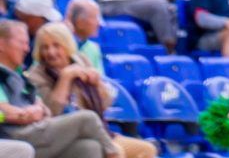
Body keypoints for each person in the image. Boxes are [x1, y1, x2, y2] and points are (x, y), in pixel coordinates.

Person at [25, 23, 157, 158]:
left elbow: (106, 103)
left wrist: (98, 84)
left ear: (66, 45)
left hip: (99, 132)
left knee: (147, 149)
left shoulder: (81, 60)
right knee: (116, 151)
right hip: (67, 138)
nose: (50, 52)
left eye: (56, 45)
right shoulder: (36, 75)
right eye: (45, 47)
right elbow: (53, 112)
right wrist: (65, 78)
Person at [0, 20, 121, 158]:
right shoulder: (33, 74)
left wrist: (97, 83)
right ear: (1, 44)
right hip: (16, 134)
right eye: (22, 42)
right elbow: (5, 111)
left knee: (88, 148)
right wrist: (23, 113)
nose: (26, 49)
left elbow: (41, 107)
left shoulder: (19, 75)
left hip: (38, 129)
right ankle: (115, 155)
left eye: (56, 46)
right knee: (87, 118)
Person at [62, 0, 102, 72]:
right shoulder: (56, 44)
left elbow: (100, 79)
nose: (99, 24)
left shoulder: (93, 48)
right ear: (80, 22)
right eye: (94, 18)